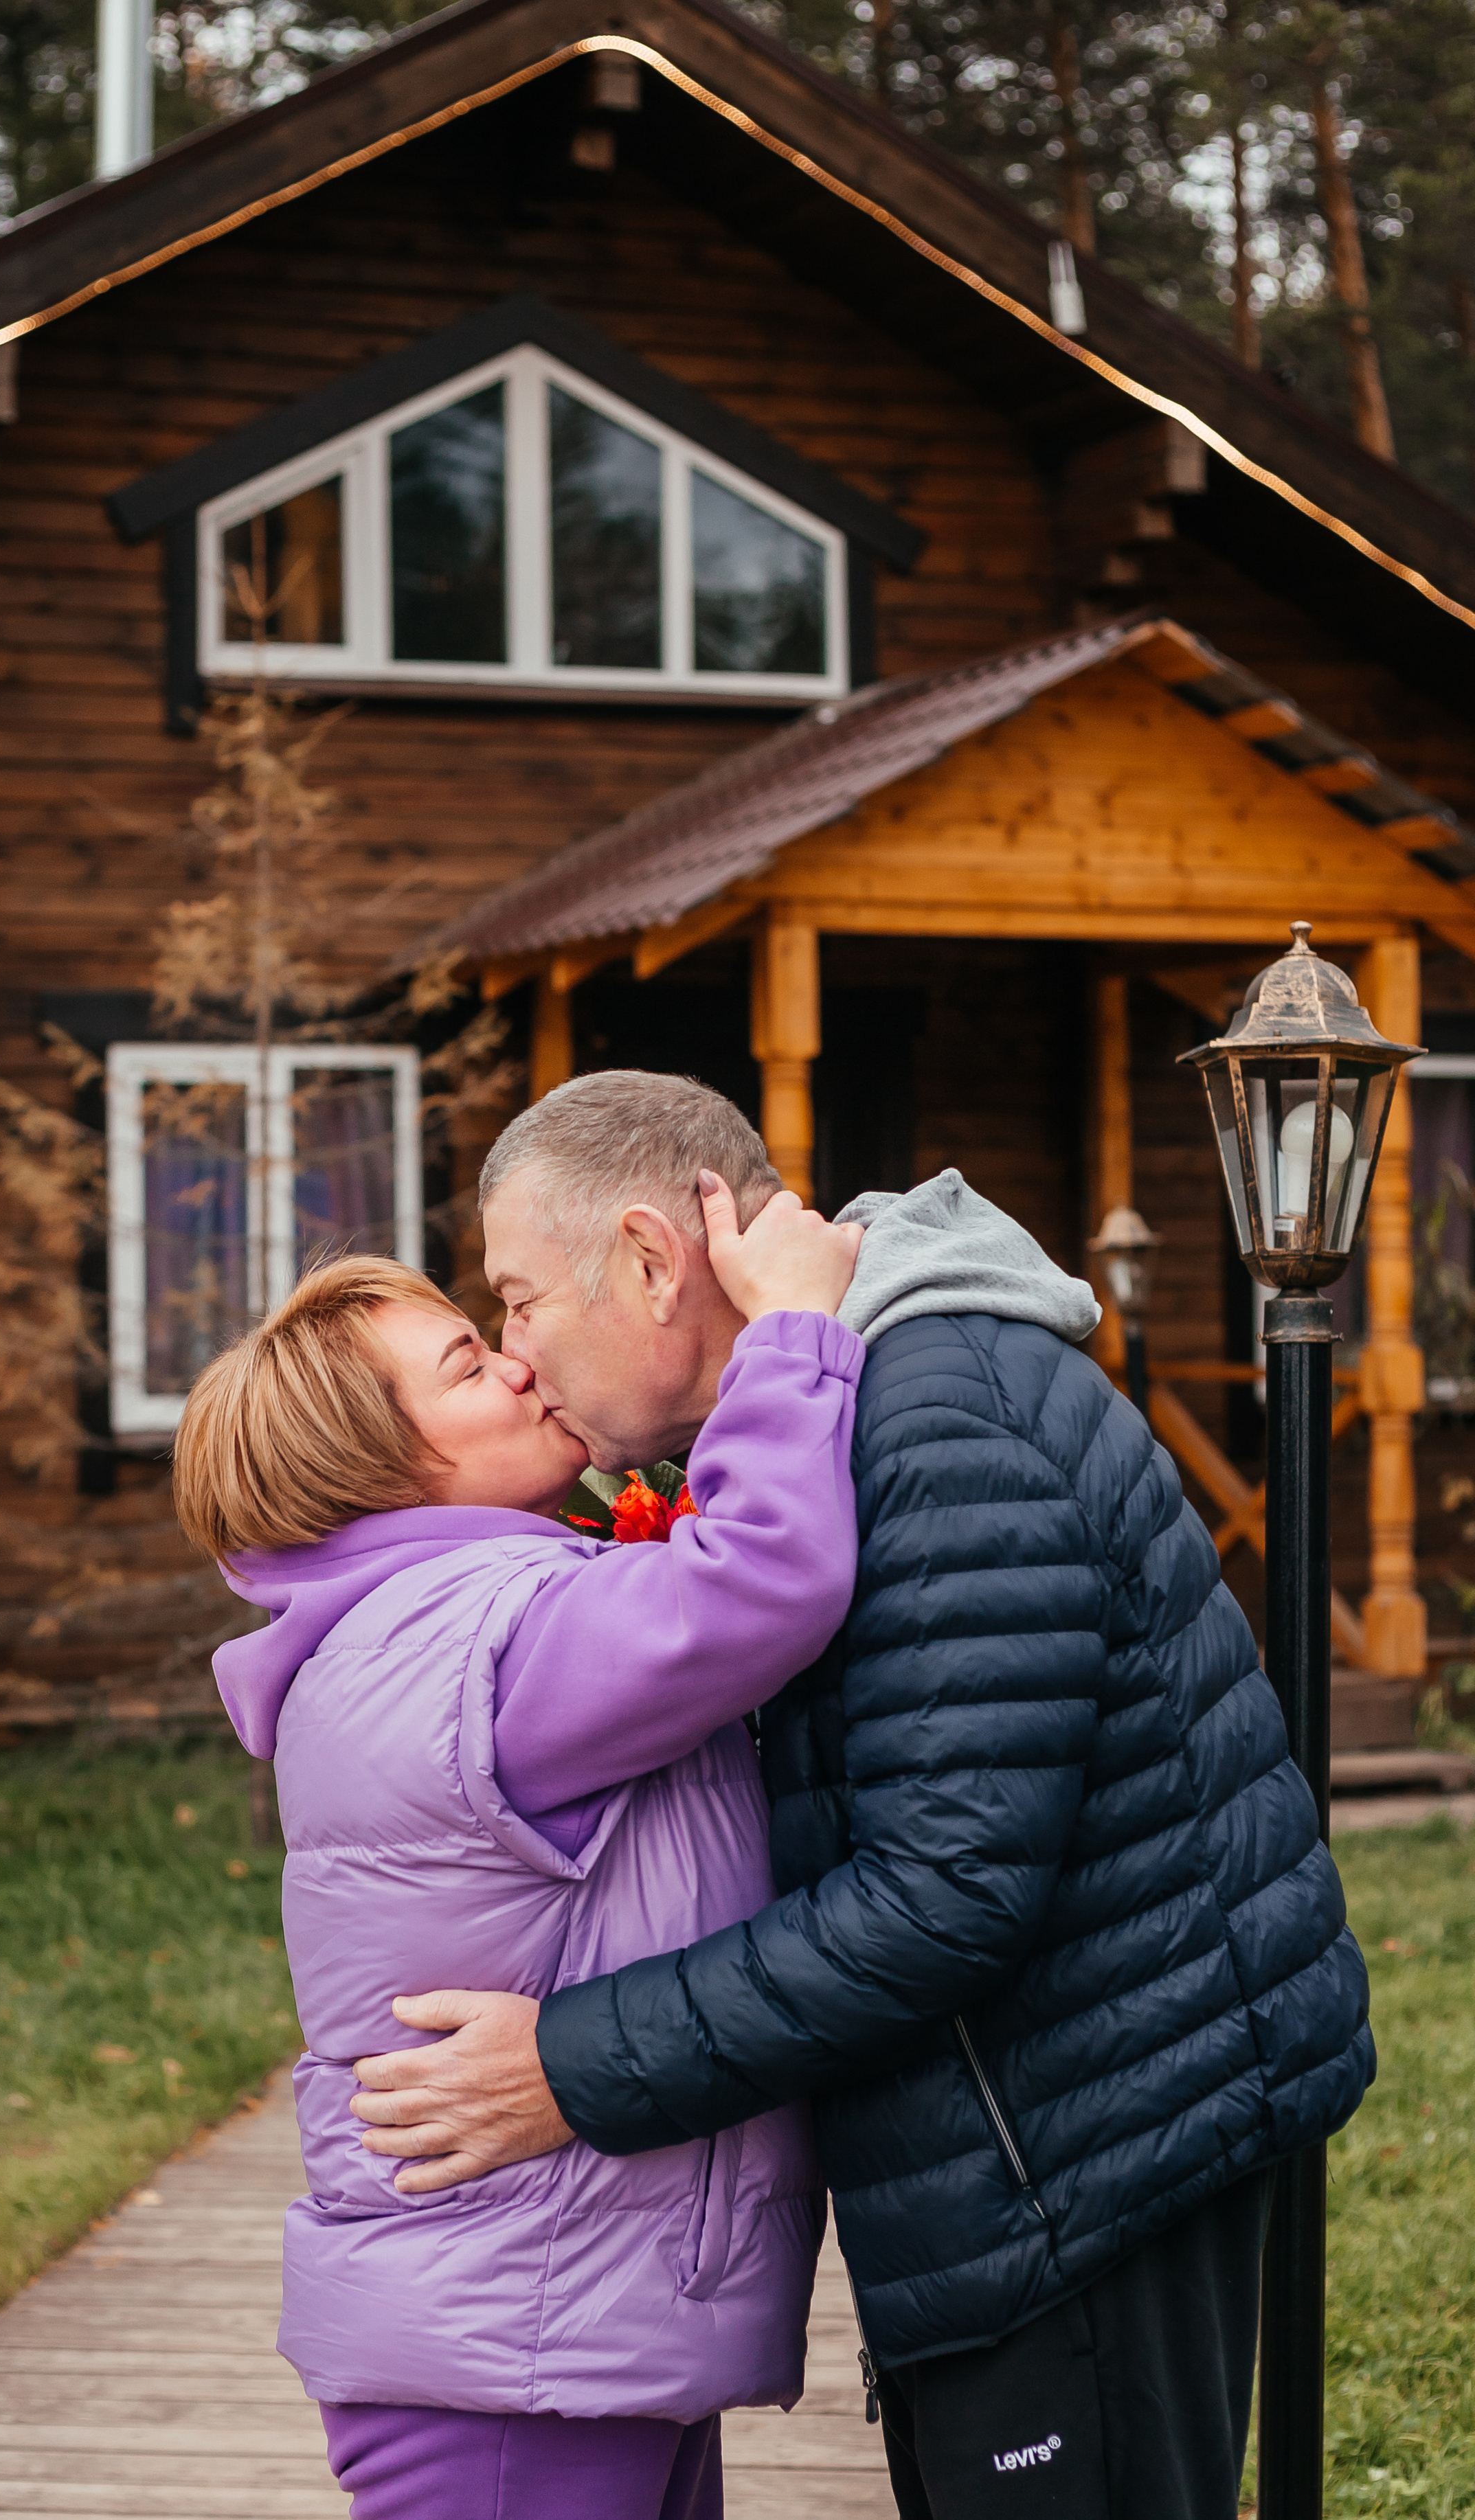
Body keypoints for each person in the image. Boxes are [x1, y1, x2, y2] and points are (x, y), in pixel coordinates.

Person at [347, 1070, 1375, 2520]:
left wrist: (569, 2067)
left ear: (649, 1261)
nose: (515, 1351)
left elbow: (946, 1894)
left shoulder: (931, 1428)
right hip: (1035, 2130)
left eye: (516, 1298)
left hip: (1080, 2155)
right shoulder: (860, 1409)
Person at [176, 1169, 866, 2520]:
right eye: (464, 1361)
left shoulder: (436, 1629)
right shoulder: (477, 1645)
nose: (515, 1364)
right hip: (512, 2354)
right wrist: (791, 1333)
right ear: (375, 1464)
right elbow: (763, 1581)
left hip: (548, 2326)